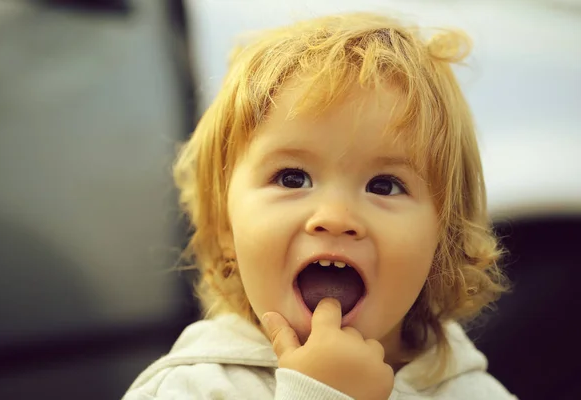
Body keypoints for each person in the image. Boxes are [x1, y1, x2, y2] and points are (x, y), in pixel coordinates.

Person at [123, 12, 516, 400]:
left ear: (443, 238)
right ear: (227, 227)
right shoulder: (190, 389)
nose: (335, 218)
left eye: (384, 185)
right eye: (292, 178)